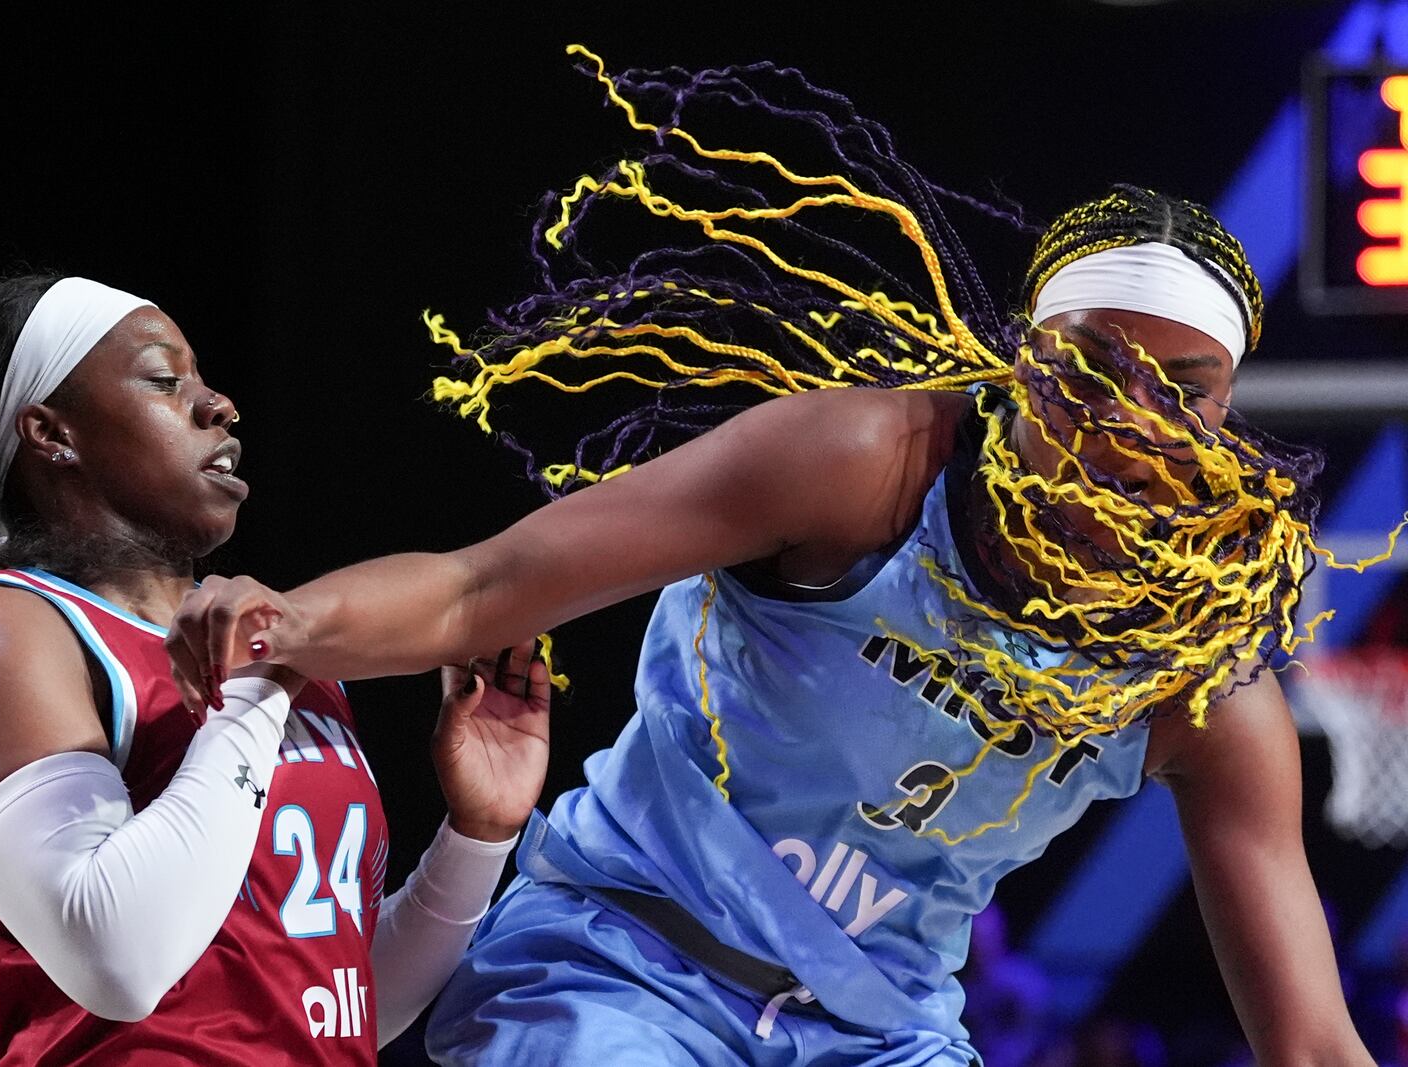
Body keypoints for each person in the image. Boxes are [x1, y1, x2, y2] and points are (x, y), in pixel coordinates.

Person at [166, 52, 1389, 1065]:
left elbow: (1312, 1044)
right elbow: (484, 584)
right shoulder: (865, 464)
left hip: (885, 1036)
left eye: (1185, 390)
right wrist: (282, 618)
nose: (1134, 421)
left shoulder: (1199, 681)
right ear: (1022, 354)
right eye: (1093, 369)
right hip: (621, 966)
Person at [0, 273, 550, 1066]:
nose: (219, 404)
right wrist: (261, 684)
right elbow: (117, 960)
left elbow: (329, 1001)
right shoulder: (2, 630)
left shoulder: (281, 655)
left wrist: (477, 837)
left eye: (204, 380)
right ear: (51, 432)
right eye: (165, 380)